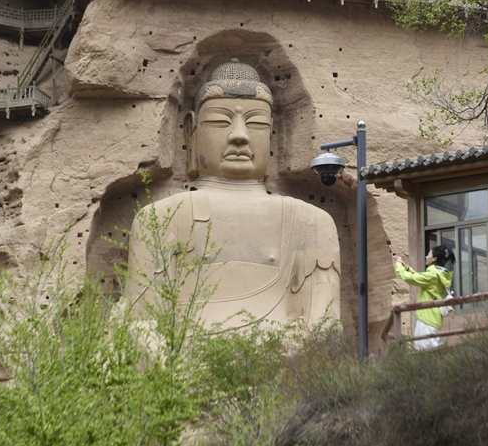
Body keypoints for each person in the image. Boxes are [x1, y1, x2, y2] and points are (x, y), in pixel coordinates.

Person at [124, 59, 341, 330]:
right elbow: (141, 326)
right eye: (220, 121)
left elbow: (324, 327)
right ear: (191, 132)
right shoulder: (160, 219)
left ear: (272, 136)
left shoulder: (311, 222)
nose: (240, 136)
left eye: (256, 123)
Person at [394, 245, 455, 350]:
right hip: (430, 318)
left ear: (434, 259)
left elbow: (410, 278)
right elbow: (419, 278)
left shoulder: (432, 276)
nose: (426, 256)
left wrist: (399, 266)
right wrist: (407, 268)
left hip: (427, 321)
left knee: (427, 354)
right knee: (427, 354)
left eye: (428, 254)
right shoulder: (437, 274)